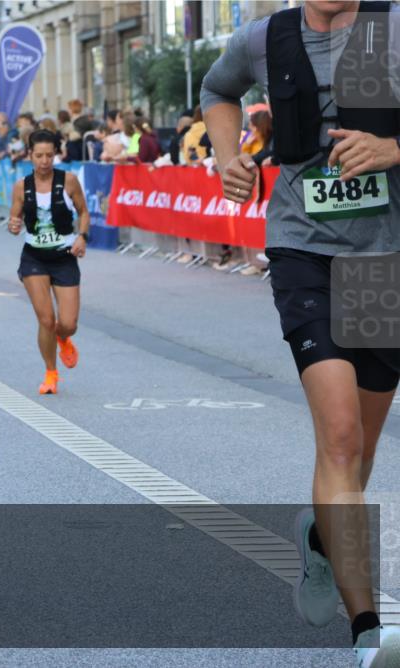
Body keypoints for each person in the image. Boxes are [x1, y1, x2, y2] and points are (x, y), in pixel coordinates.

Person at [202, 1, 400, 664]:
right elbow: (216, 89)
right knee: (339, 436)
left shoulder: (391, 27)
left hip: (384, 259)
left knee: (360, 451)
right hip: (302, 250)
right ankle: (367, 630)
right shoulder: (267, 37)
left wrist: (393, 148)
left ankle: (321, 537)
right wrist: (229, 159)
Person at [7, 129, 90, 395]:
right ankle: (51, 373)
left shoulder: (69, 181)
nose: (44, 161)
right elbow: (14, 220)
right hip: (34, 257)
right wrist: (13, 224)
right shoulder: (22, 186)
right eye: (39, 155)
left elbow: (83, 212)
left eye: (49, 155)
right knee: (45, 319)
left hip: (64, 257)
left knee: (68, 324)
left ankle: (63, 338)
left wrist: (82, 237)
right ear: (30, 155)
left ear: (56, 154)